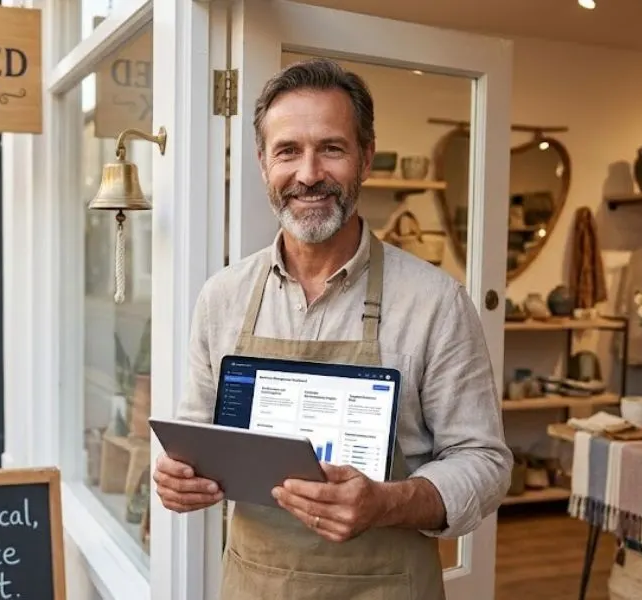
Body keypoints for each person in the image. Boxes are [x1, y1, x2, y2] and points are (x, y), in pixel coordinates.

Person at [152, 58, 512, 599]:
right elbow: (195, 434)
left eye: (332, 148)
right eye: (288, 151)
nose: (309, 174)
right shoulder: (221, 297)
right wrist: (175, 476)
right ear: (262, 162)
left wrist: (385, 502)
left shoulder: (435, 301)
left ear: (365, 157)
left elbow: (484, 462)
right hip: (256, 585)